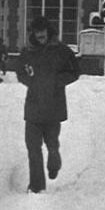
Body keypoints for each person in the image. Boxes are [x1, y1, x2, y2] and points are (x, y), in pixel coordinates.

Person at [17, 17, 80, 194]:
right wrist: (31, 81)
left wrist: (56, 82)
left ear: (48, 31)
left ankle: (54, 163)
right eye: (37, 32)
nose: (40, 35)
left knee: (52, 144)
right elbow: (20, 71)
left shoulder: (61, 51)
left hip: (54, 106)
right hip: (33, 106)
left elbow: (75, 72)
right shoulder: (27, 51)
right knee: (32, 147)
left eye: (43, 31)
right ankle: (37, 187)